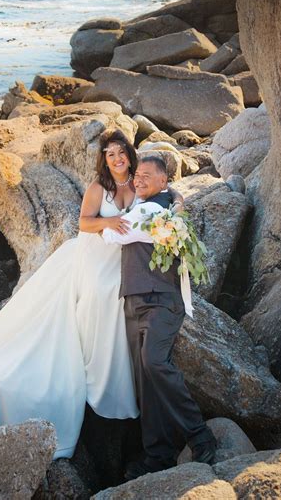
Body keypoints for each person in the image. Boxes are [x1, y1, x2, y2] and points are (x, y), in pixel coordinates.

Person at [0, 129, 183, 461]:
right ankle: (91, 371)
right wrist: (113, 221)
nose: (118, 159)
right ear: (104, 160)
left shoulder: (138, 181)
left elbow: (167, 191)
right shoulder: (98, 188)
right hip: (93, 257)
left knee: (116, 300)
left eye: (122, 153)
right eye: (111, 155)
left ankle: (114, 382)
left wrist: (178, 204)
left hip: (121, 261)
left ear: (129, 155)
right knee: (96, 297)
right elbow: (84, 223)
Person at [102, 155, 216, 480]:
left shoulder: (153, 209)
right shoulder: (165, 202)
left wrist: (98, 222)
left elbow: (114, 235)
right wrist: (177, 197)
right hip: (136, 300)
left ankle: (200, 435)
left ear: (163, 181)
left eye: (147, 176)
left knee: (155, 364)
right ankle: (159, 455)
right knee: (146, 380)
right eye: (137, 175)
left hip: (161, 302)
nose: (138, 180)